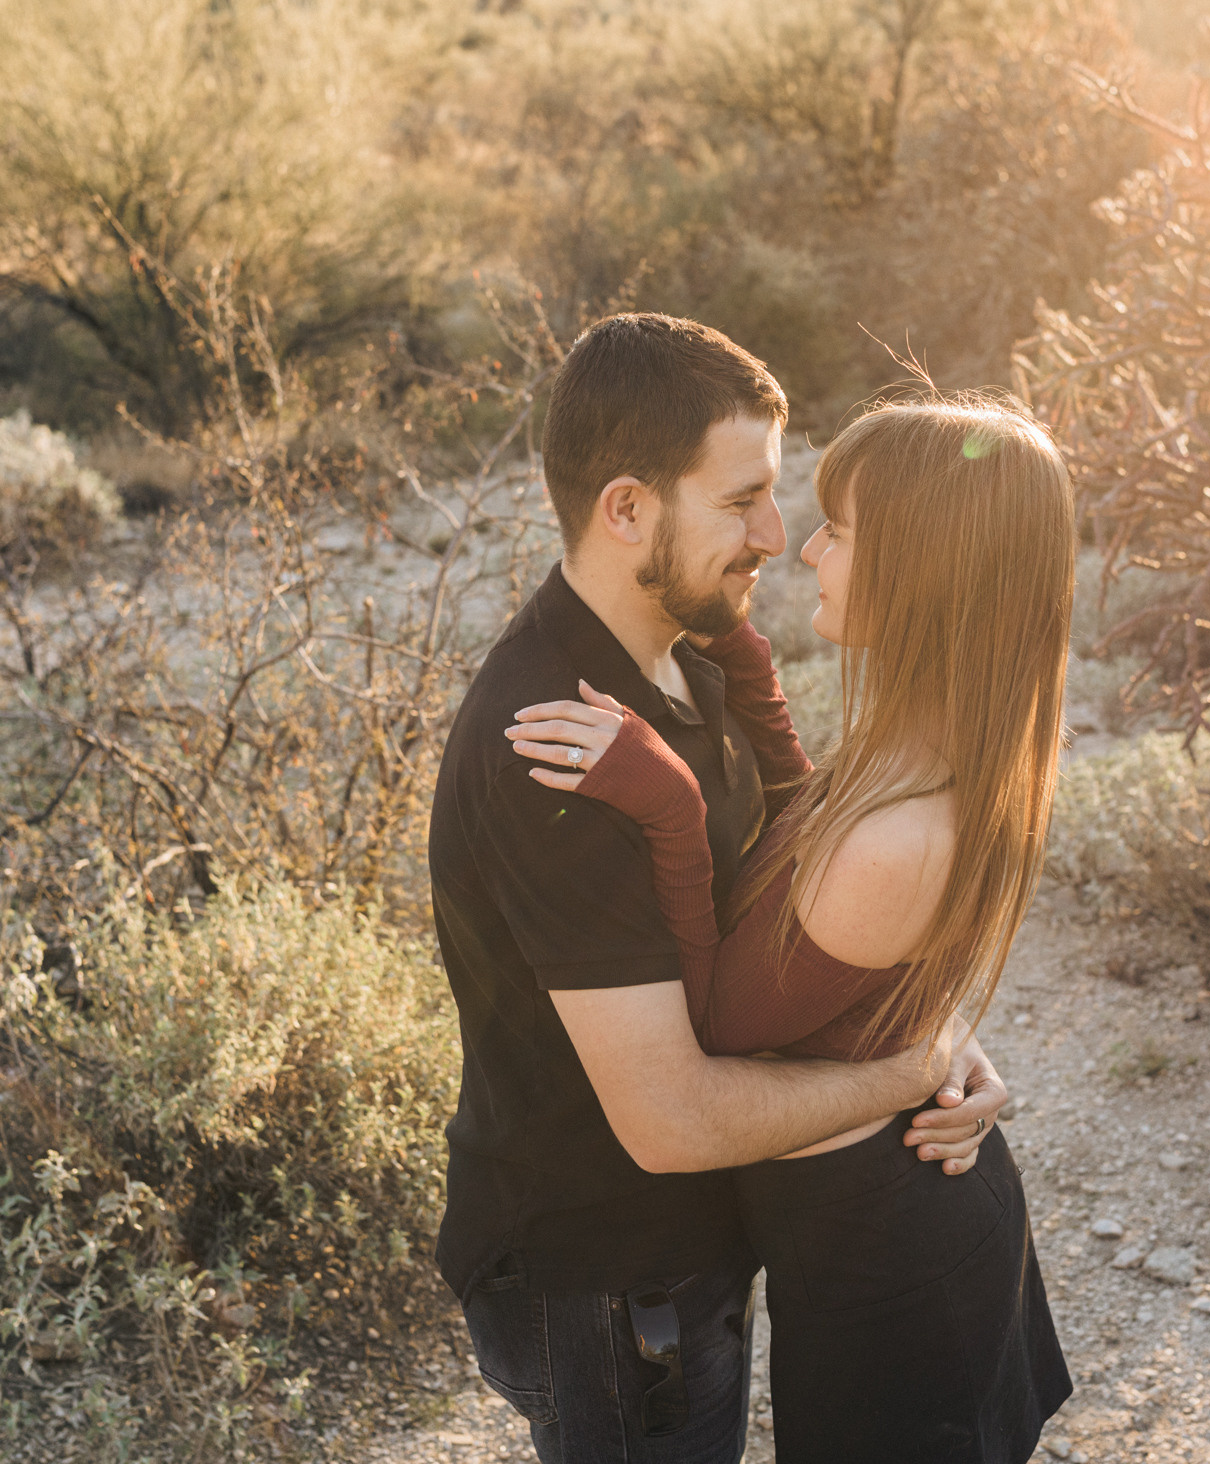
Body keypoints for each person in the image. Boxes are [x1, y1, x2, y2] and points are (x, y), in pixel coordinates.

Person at [427, 314, 1010, 1464]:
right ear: (628, 509)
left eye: (776, 496)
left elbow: (794, 889)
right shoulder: (553, 747)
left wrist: (930, 1018)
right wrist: (907, 1070)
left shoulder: (688, 651)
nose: (777, 535)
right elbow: (671, 1119)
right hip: (609, 1278)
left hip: (697, 1247)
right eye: (741, 501)